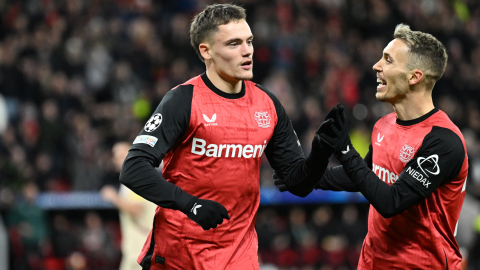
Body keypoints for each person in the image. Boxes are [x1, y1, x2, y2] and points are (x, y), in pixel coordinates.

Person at [119, 4, 332, 269]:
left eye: (249, 41)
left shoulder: (267, 104)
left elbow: (296, 182)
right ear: (205, 51)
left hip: (238, 257)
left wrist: (320, 154)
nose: (247, 51)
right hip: (178, 255)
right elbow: (133, 168)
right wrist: (191, 205)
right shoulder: (183, 100)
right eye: (234, 44)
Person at [276, 24, 469, 269]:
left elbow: (391, 202)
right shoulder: (384, 124)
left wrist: (345, 150)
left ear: (414, 77)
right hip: (372, 262)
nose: (376, 66)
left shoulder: (444, 141)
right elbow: (363, 175)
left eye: (387, 60)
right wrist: (308, 175)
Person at [100, 142, 156, 270]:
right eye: (117, 156)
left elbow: (136, 209)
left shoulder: (137, 178)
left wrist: (113, 197)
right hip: (136, 250)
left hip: (142, 250)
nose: (120, 159)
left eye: (123, 155)